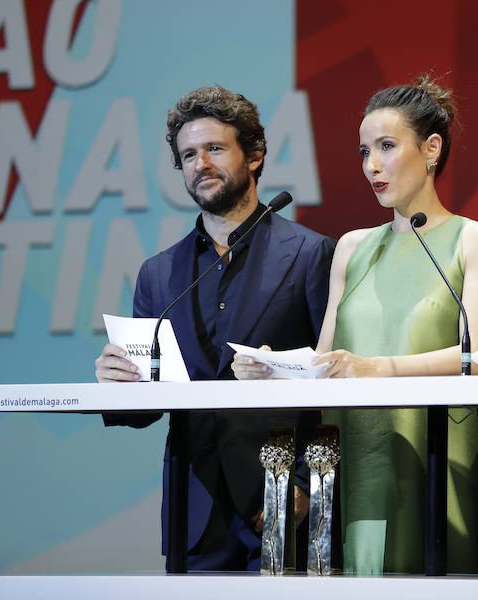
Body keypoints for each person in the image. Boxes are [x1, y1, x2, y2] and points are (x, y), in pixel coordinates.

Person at [232, 76, 478, 575]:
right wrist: (272, 369)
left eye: (386, 147)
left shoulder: (476, 239)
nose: (371, 166)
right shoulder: (352, 247)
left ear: (431, 149)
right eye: (364, 151)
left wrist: (377, 368)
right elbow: (326, 361)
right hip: (353, 452)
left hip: (436, 450)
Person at [94, 85, 335, 571]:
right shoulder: (158, 274)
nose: (200, 163)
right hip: (196, 505)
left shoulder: (313, 255)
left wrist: (310, 485)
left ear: (254, 157)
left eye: (215, 149)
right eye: (188, 154)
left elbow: (338, 379)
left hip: (284, 497)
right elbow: (145, 409)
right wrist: (117, 383)